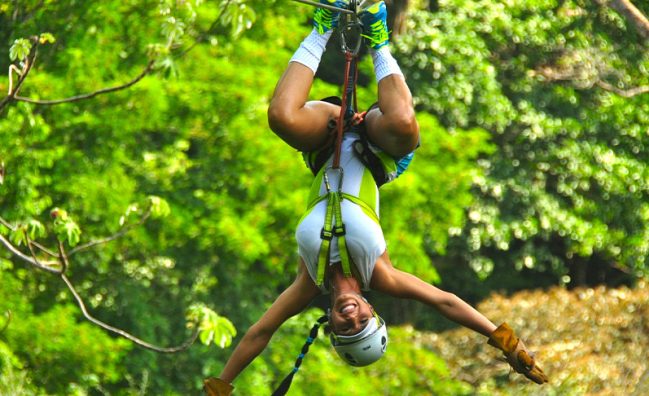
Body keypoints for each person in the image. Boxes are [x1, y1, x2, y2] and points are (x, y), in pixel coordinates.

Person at [204, 1, 547, 394]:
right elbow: (446, 302)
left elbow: (259, 332)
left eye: (346, 330)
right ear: (372, 311)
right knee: (403, 122)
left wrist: (222, 385)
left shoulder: (308, 281)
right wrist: (506, 343)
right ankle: (378, 38)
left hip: (325, 143)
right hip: (379, 150)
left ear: (331, 326)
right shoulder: (380, 274)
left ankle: (323, 27)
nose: (352, 320)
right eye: (362, 324)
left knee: (281, 117)